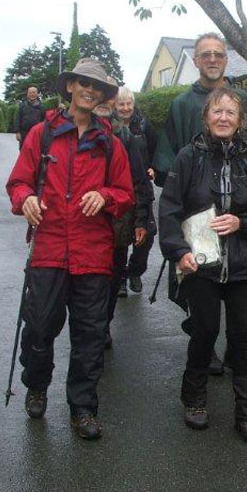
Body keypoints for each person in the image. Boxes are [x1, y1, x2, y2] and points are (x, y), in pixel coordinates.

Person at [6, 58, 134, 440]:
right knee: (40, 328)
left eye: (98, 87)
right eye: (84, 84)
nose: (90, 91)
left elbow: (126, 194)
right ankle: (37, 384)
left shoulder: (110, 143)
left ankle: (82, 407)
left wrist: (105, 195)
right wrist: (25, 198)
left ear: (103, 96)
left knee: (90, 336)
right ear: (70, 87)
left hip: (93, 255)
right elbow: (17, 183)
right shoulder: (41, 135)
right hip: (47, 251)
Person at [153, 32, 247, 374]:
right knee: (199, 295)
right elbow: (168, 166)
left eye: (218, 54)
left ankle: (237, 352)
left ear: (225, 61)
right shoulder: (182, 105)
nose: (212, 59)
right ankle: (205, 346)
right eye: (205, 55)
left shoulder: (243, 98)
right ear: (195, 61)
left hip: (241, 223)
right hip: (198, 225)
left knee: (244, 298)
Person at [159, 87, 247, 445]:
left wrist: (244, 223)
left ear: (240, 120)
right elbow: (168, 209)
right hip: (201, 265)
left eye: (230, 112)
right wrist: (177, 251)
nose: (223, 117)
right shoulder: (187, 157)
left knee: (243, 336)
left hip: (245, 264)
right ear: (206, 117)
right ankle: (194, 398)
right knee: (204, 330)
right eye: (217, 111)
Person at [94, 83, 152, 349]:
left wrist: (141, 220)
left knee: (112, 278)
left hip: (117, 223)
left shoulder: (124, 135)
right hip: (82, 225)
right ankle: (90, 328)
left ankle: (102, 326)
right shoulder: (67, 132)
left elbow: (140, 181)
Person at [114, 86, 157, 296]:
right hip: (120, 187)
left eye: (128, 103)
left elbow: (156, 150)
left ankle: (135, 271)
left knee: (147, 235)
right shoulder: (110, 126)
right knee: (120, 236)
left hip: (142, 184)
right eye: (121, 104)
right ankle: (120, 277)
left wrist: (153, 167)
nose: (125, 108)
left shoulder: (143, 124)